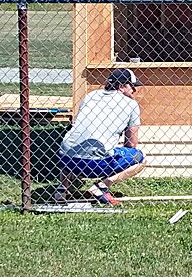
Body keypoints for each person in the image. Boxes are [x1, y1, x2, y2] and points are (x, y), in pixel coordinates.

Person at [54, 68, 146, 205]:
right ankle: (101, 187)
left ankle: (61, 190)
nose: (134, 92)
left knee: (74, 144)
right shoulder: (131, 104)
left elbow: (77, 126)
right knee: (140, 159)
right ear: (121, 86)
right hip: (97, 163)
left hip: (66, 158)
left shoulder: (90, 96)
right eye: (132, 87)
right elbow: (131, 144)